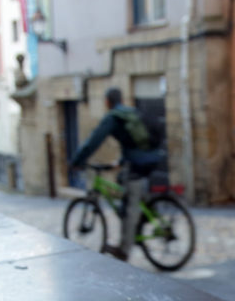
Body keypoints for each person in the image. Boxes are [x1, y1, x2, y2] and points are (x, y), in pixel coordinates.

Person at [69, 87, 166, 260]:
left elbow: (93, 141)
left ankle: (124, 249)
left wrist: (77, 161)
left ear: (107, 101)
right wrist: (120, 162)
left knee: (129, 204)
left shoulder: (113, 117)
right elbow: (132, 143)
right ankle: (146, 215)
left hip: (139, 163)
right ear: (122, 98)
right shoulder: (131, 112)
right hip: (152, 158)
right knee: (127, 183)